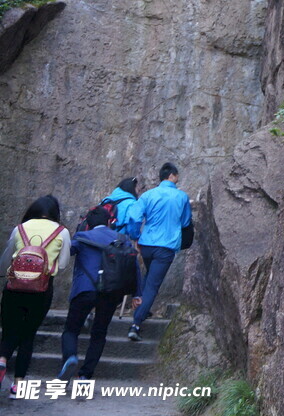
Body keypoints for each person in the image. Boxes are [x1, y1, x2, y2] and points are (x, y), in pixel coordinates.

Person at [58, 207, 143, 381]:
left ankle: (70, 357)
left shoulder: (82, 237)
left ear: (88, 223)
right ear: (109, 221)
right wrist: (137, 294)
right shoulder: (122, 239)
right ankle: (85, 375)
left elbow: (66, 252)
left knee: (71, 330)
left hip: (85, 289)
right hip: (111, 292)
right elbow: (133, 266)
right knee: (99, 333)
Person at [0, 196, 71, 398]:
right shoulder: (62, 232)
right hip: (42, 290)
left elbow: (6, 258)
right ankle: (17, 386)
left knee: (9, 331)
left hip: (14, 287)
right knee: (28, 336)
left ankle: (2, 360)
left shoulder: (20, 229)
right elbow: (63, 264)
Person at [126, 162, 191, 341]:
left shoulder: (148, 195)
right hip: (166, 246)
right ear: (171, 176)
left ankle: (143, 309)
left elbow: (134, 216)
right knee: (152, 285)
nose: (177, 179)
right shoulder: (181, 197)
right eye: (176, 176)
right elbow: (185, 222)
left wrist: (135, 236)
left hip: (147, 244)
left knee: (149, 277)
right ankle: (136, 324)